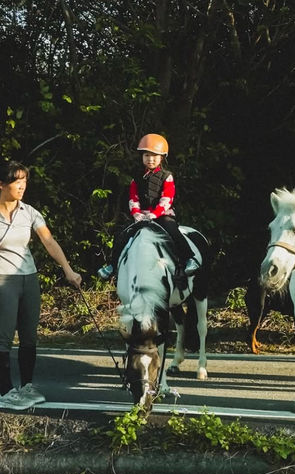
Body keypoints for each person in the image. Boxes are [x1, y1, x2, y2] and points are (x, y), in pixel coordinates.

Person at [0, 161, 82, 410]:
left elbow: (49, 241)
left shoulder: (29, 212)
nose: (22, 186)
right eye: (17, 182)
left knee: (29, 337)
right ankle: (4, 391)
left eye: (25, 181)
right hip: (3, 280)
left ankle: (27, 385)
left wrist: (68, 270)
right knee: (3, 339)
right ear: (2, 184)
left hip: (29, 277)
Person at [97, 133, 199, 279]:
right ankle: (113, 266)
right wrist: (136, 214)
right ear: (142, 157)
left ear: (161, 157)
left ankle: (189, 259)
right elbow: (133, 198)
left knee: (173, 230)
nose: (150, 159)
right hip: (142, 216)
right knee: (122, 234)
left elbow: (167, 199)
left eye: (154, 156)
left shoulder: (167, 176)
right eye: (146, 155)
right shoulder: (136, 178)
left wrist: (154, 214)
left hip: (162, 215)